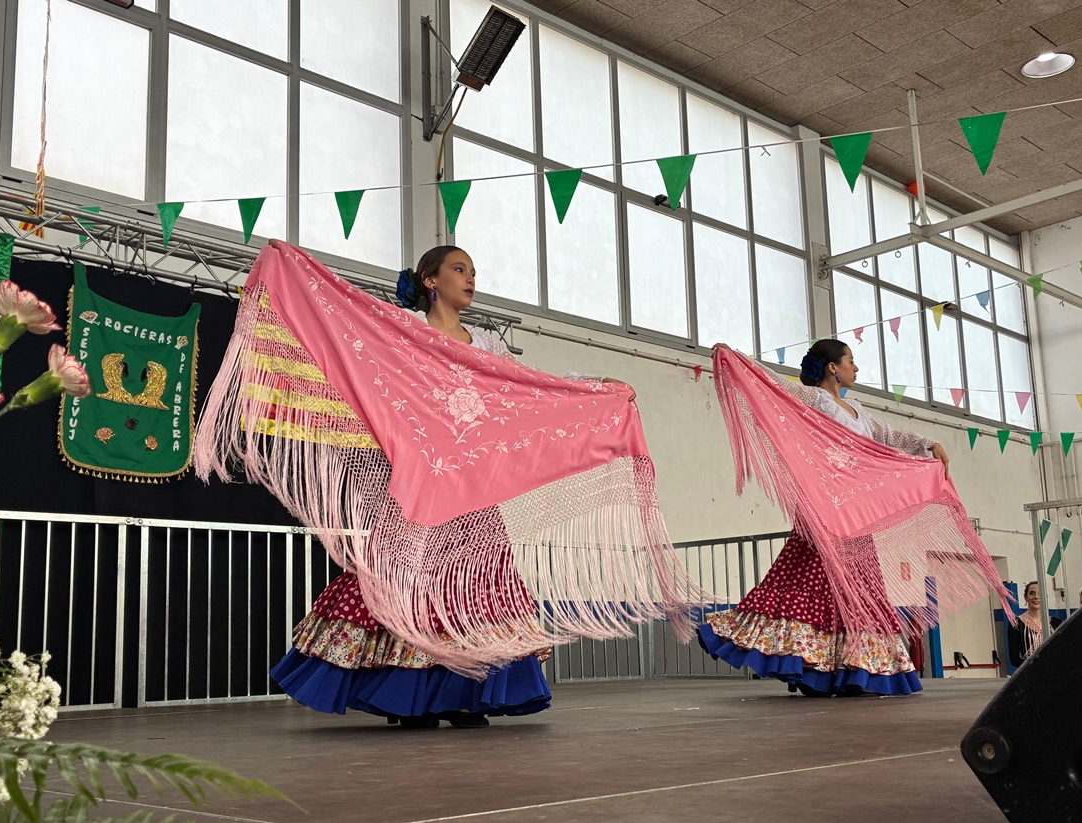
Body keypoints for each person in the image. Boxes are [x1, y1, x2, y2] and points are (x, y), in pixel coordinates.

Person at [270, 245, 632, 728]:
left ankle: (466, 695)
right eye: (459, 269)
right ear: (430, 280)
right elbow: (350, 351)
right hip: (422, 486)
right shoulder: (405, 331)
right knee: (409, 583)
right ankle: (410, 695)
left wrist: (592, 387)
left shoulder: (486, 345)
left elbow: (530, 387)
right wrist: (292, 269)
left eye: (474, 272)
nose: (470, 278)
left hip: (472, 487)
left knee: (476, 583)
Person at [699, 339, 950, 697]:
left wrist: (928, 443)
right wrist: (738, 361)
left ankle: (845, 668)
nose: (856, 368)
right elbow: (776, 388)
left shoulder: (857, 411)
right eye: (851, 361)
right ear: (833, 367)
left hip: (855, 513)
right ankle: (815, 666)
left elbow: (892, 436)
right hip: (823, 508)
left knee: (856, 586)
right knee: (816, 581)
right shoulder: (817, 400)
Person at [1007, 580, 1055, 668]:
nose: (1036, 597)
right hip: (1029, 673)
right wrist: (1032, 667)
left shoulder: (1056, 623)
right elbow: (1014, 658)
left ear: (1045, 597)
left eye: (1040, 594)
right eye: (1032, 593)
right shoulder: (1016, 623)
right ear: (1025, 597)